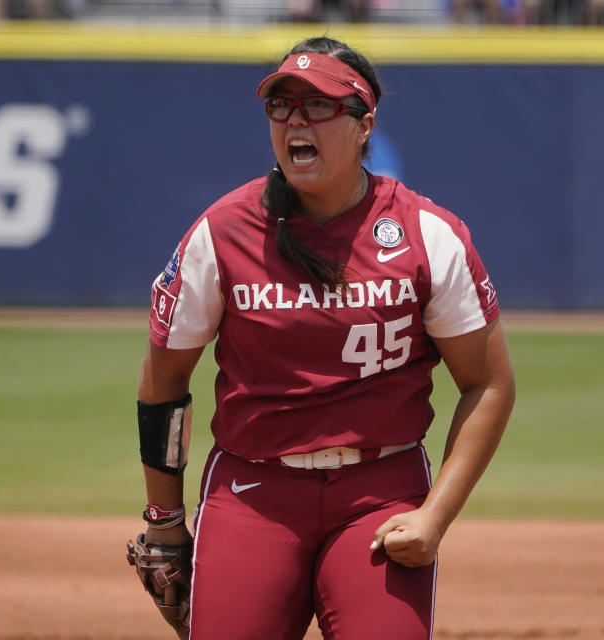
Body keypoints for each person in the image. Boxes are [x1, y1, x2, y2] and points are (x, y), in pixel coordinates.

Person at [128, 36, 516, 640]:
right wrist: (164, 520)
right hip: (253, 491)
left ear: (366, 126)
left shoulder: (427, 236)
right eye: (281, 106)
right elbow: (165, 380)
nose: (295, 121)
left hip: (380, 494)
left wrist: (435, 515)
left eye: (319, 105)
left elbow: (488, 381)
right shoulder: (224, 232)